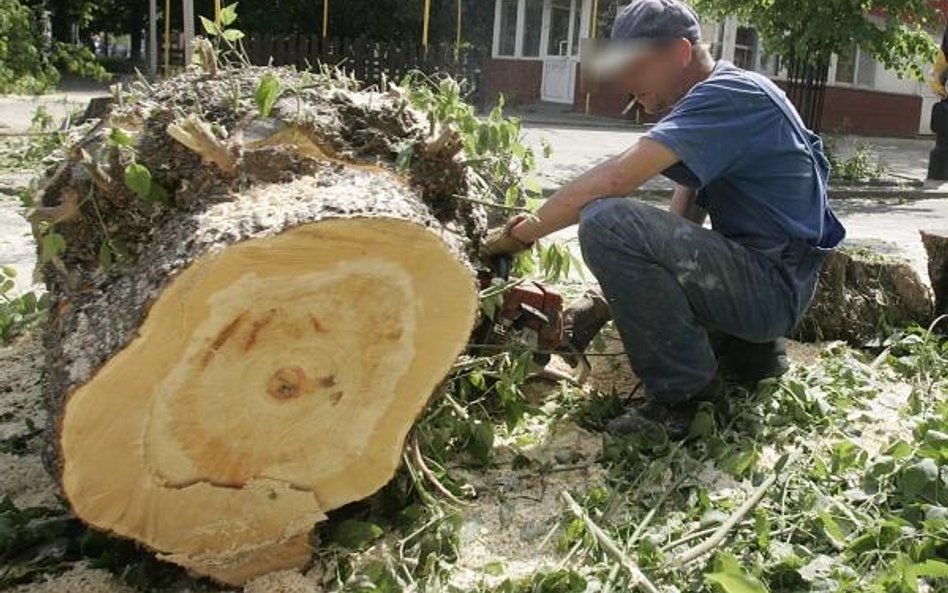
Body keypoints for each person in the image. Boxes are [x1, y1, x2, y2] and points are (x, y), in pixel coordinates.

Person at [481, 0, 846, 440]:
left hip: (770, 288)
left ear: (680, 52)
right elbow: (686, 215)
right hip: (772, 279)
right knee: (626, 230)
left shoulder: (727, 97)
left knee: (605, 221)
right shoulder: (735, 90)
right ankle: (752, 355)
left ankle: (687, 401)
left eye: (636, 68)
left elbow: (615, 178)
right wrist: (611, 295)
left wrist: (519, 235)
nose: (629, 86)